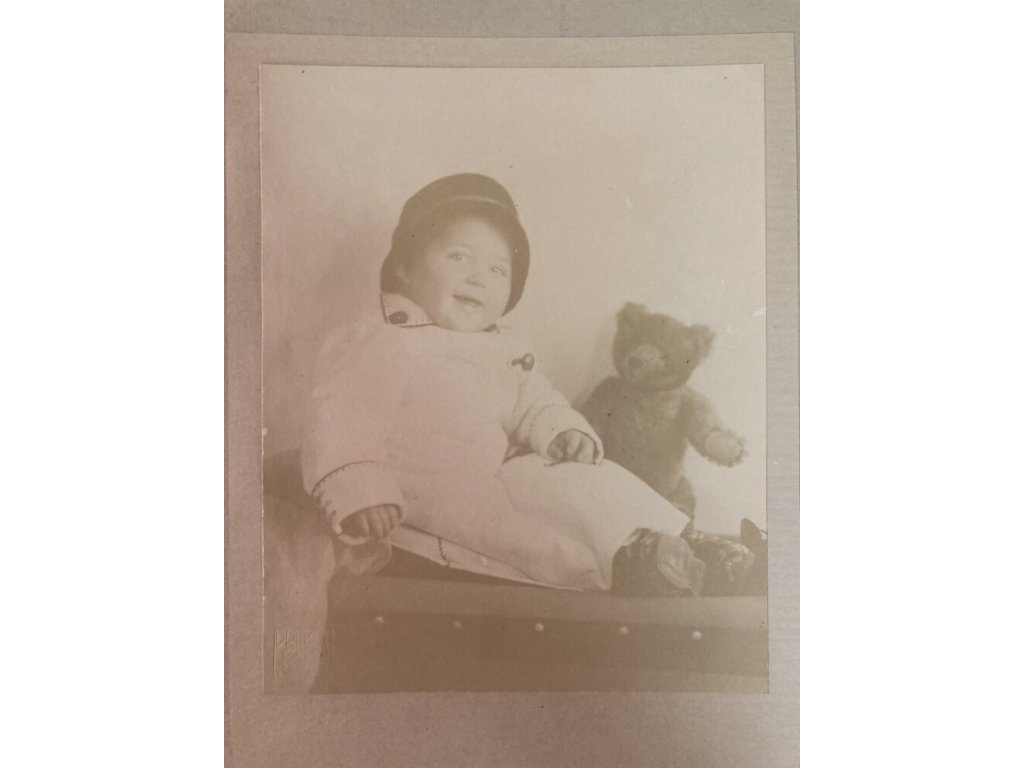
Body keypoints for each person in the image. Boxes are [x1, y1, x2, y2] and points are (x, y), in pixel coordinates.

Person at [301, 173, 752, 595]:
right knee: (527, 540)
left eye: (498, 270)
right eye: (459, 257)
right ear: (404, 267)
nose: (478, 278)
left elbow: (535, 401)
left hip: (498, 474)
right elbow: (342, 417)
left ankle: (691, 541)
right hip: (424, 494)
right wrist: (362, 492)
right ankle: (631, 564)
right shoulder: (382, 336)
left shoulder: (504, 349)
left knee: (584, 480)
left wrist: (562, 430)